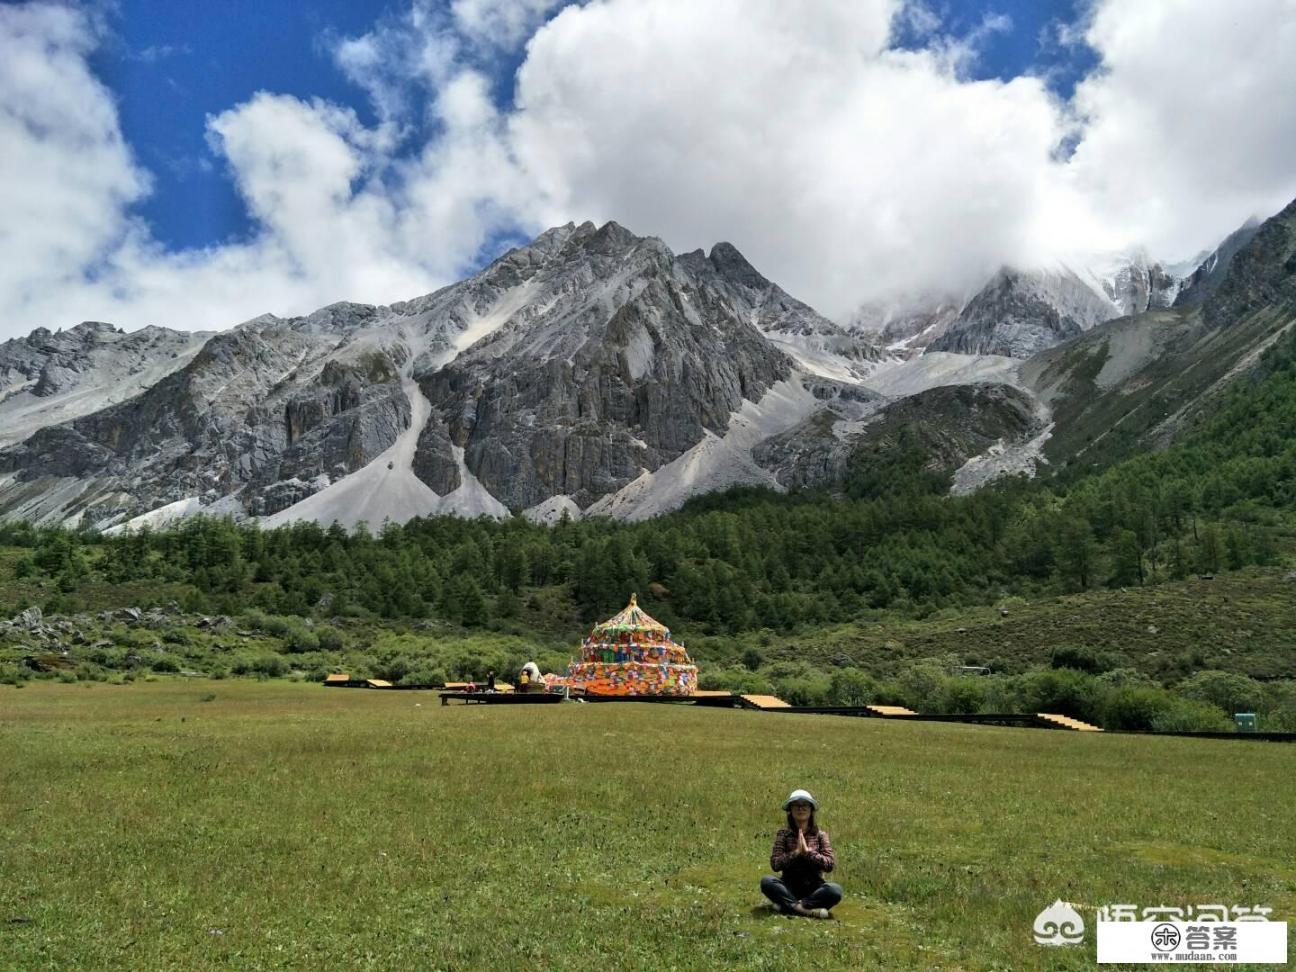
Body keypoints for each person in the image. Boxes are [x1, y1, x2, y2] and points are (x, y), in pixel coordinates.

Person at [760, 788, 842, 919]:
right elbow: (775, 864)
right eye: (796, 805)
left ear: (811, 810)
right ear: (790, 810)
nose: (800, 808)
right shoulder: (783, 834)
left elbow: (829, 864)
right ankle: (806, 911)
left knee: (835, 890)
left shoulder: (821, 835)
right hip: (788, 887)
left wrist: (808, 852)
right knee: (767, 881)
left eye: (805, 805)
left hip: (814, 890)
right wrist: (796, 852)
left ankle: (788, 906)